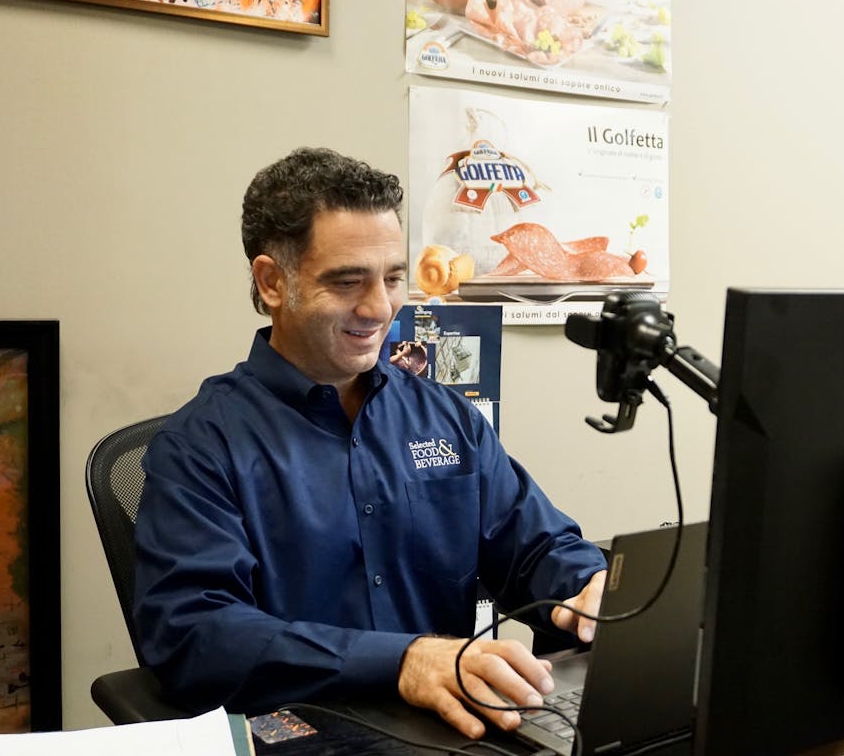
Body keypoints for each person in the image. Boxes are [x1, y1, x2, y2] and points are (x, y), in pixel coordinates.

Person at [133, 147, 607, 740]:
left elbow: (536, 546)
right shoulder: (200, 446)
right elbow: (194, 633)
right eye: (347, 282)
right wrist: (403, 660)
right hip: (311, 740)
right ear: (272, 282)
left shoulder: (444, 418)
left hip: (455, 734)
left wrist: (586, 586)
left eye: (392, 277)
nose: (379, 308)